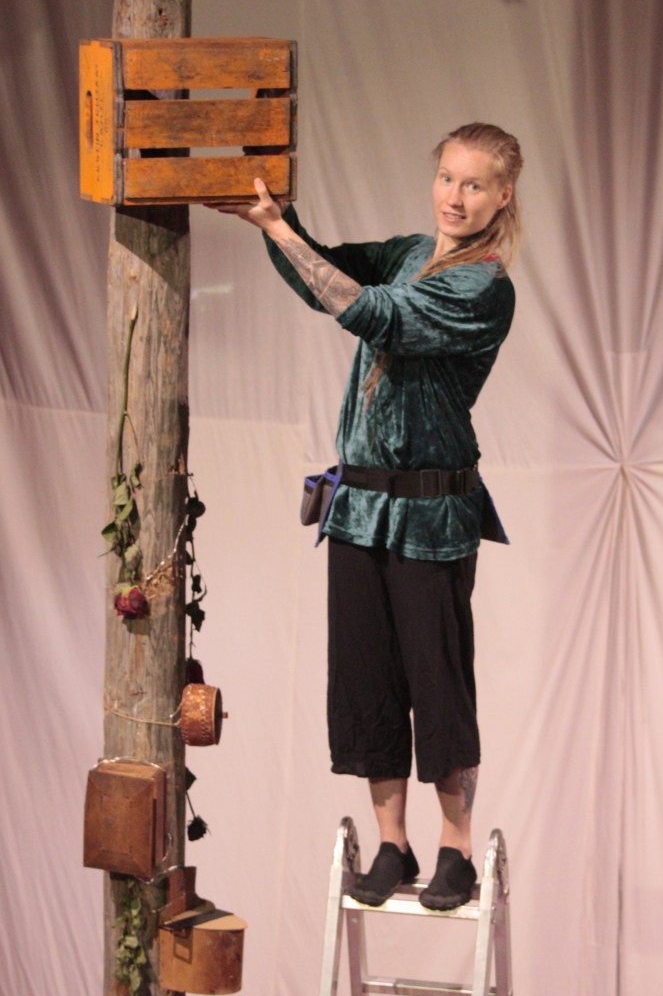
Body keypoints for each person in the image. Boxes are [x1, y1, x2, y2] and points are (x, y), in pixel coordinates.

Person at [208, 122, 523, 910]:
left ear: (502, 196)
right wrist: (274, 220)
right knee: (367, 679)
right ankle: (393, 844)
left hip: (430, 514)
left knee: (436, 683)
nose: (455, 196)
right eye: (446, 177)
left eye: (473, 184)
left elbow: (369, 312)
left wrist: (279, 230)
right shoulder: (410, 252)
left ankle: (454, 849)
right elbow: (323, 275)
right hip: (358, 508)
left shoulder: (482, 286)